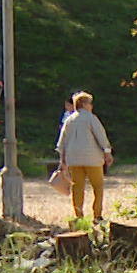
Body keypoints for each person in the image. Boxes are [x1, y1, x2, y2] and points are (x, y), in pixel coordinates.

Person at [55, 91, 113, 221]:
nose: (91, 106)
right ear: (85, 104)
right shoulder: (91, 118)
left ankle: (78, 214)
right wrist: (107, 152)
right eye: (90, 103)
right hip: (92, 158)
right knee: (97, 186)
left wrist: (62, 157)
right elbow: (101, 136)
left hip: (74, 158)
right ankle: (97, 214)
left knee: (77, 187)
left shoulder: (69, 119)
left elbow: (62, 140)